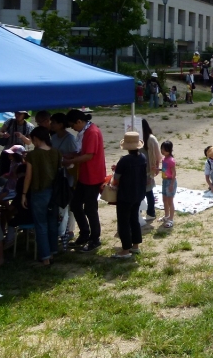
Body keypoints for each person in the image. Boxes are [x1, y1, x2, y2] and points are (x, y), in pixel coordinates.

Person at [66, 109, 106, 252]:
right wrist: (70, 155)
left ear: (79, 122)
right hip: (85, 175)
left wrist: (71, 160)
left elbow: (88, 155)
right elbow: (82, 152)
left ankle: (95, 238)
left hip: (93, 176)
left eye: (73, 126)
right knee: (76, 205)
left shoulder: (92, 132)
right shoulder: (85, 132)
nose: (73, 129)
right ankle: (84, 234)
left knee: (90, 209)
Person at [22, 126, 61, 266]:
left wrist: (24, 194)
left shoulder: (33, 155)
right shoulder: (56, 152)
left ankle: (45, 257)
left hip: (39, 192)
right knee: (52, 223)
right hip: (54, 192)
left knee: (41, 225)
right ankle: (53, 251)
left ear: (36, 139)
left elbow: (28, 177)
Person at [109, 132, 147, 258]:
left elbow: (117, 178)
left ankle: (125, 250)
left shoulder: (124, 160)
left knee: (124, 221)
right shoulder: (142, 158)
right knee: (134, 219)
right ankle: (135, 246)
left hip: (125, 195)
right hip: (138, 193)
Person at [50, 112, 77, 248]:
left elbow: (75, 156)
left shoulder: (70, 139)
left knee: (69, 202)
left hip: (69, 175)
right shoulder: (53, 137)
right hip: (57, 175)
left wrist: (62, 157)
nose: (51, 124)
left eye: (53, 122)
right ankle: (61, 229)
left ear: (61, 124)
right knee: (60, 203)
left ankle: (70, 230)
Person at [0, 111, 33, 176]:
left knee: (17, 174)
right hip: (7, 152)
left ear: (24, 115)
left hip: (20, 155)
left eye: (20, 114)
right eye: (16, 113)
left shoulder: (29, 126)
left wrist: (22, 136)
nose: (17, 115)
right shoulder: (10, 122)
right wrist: (3, 134)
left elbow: (29, 142)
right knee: (4, 173)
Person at [141, 119, 161, 222]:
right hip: (147, 169)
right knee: (148, 192)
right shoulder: (150, 138)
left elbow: (157, 155)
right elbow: (158, 155)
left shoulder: (147, 139)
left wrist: (156, 166)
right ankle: (150, 212)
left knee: (143, 193)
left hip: (142, 170)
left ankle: (147, 212)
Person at [160, 140, 177, 228]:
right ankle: (166, 215)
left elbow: (174, 173)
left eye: (164, 149)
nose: (162, 151)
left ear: (169, 150)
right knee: (164, 199)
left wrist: (171, 184)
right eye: (162, 149)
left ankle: (171, 219)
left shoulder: (171, 160)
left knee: (170, 201)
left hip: (170, 181)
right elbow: (165, 170)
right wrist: (157, 169)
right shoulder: (164, 159)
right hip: (164, 181)